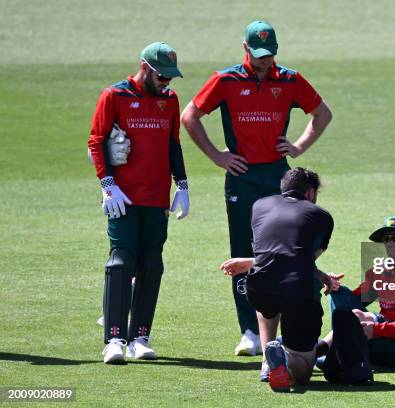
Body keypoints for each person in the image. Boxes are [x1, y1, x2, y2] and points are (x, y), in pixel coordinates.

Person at [181, 20, 333, 356]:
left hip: (278, 177)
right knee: (242, 249)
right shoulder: (226, 79)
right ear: (245, 49)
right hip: (242, 176)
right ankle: (249, 330)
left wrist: (298, 147)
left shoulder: (290, 79)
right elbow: (189, 115)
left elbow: (322, 113)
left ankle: (276, 327)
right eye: (259, 55)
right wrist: (217, 156)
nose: (266, 61)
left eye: (270, 55)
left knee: (280, 248)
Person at [88, 42, 189, 364]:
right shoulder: (114, 96)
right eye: (162, 76)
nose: (167, 83)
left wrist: (182, 186)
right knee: (120, 262)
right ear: (144, 68)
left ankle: (139, 337)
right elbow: (96, 141)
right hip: (123, 198)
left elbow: (173, 144)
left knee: (151, 264)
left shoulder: (169, 100)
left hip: (156, 199)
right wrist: (107, 185)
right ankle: (114, 339)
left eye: (171, 77)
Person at [220, 167, 337, 392]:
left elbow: (275, 255)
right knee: (303, 371)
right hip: (298, 292)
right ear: (311, 193)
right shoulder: (322, 216)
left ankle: (268, 359)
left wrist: (249, 262)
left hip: (259, 288)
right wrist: (321, 276)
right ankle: (287, 364)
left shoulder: (260, 206)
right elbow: (302, 259)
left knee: (267, 295)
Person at [319, 215, 395, 369]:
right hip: (384, 329)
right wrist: (331, 283)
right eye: (386, 238)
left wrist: (376, 330)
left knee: (356, 322)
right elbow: (354, 299)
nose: (390, 243)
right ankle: (330, 351)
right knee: (340, 294)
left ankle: (324, 352)